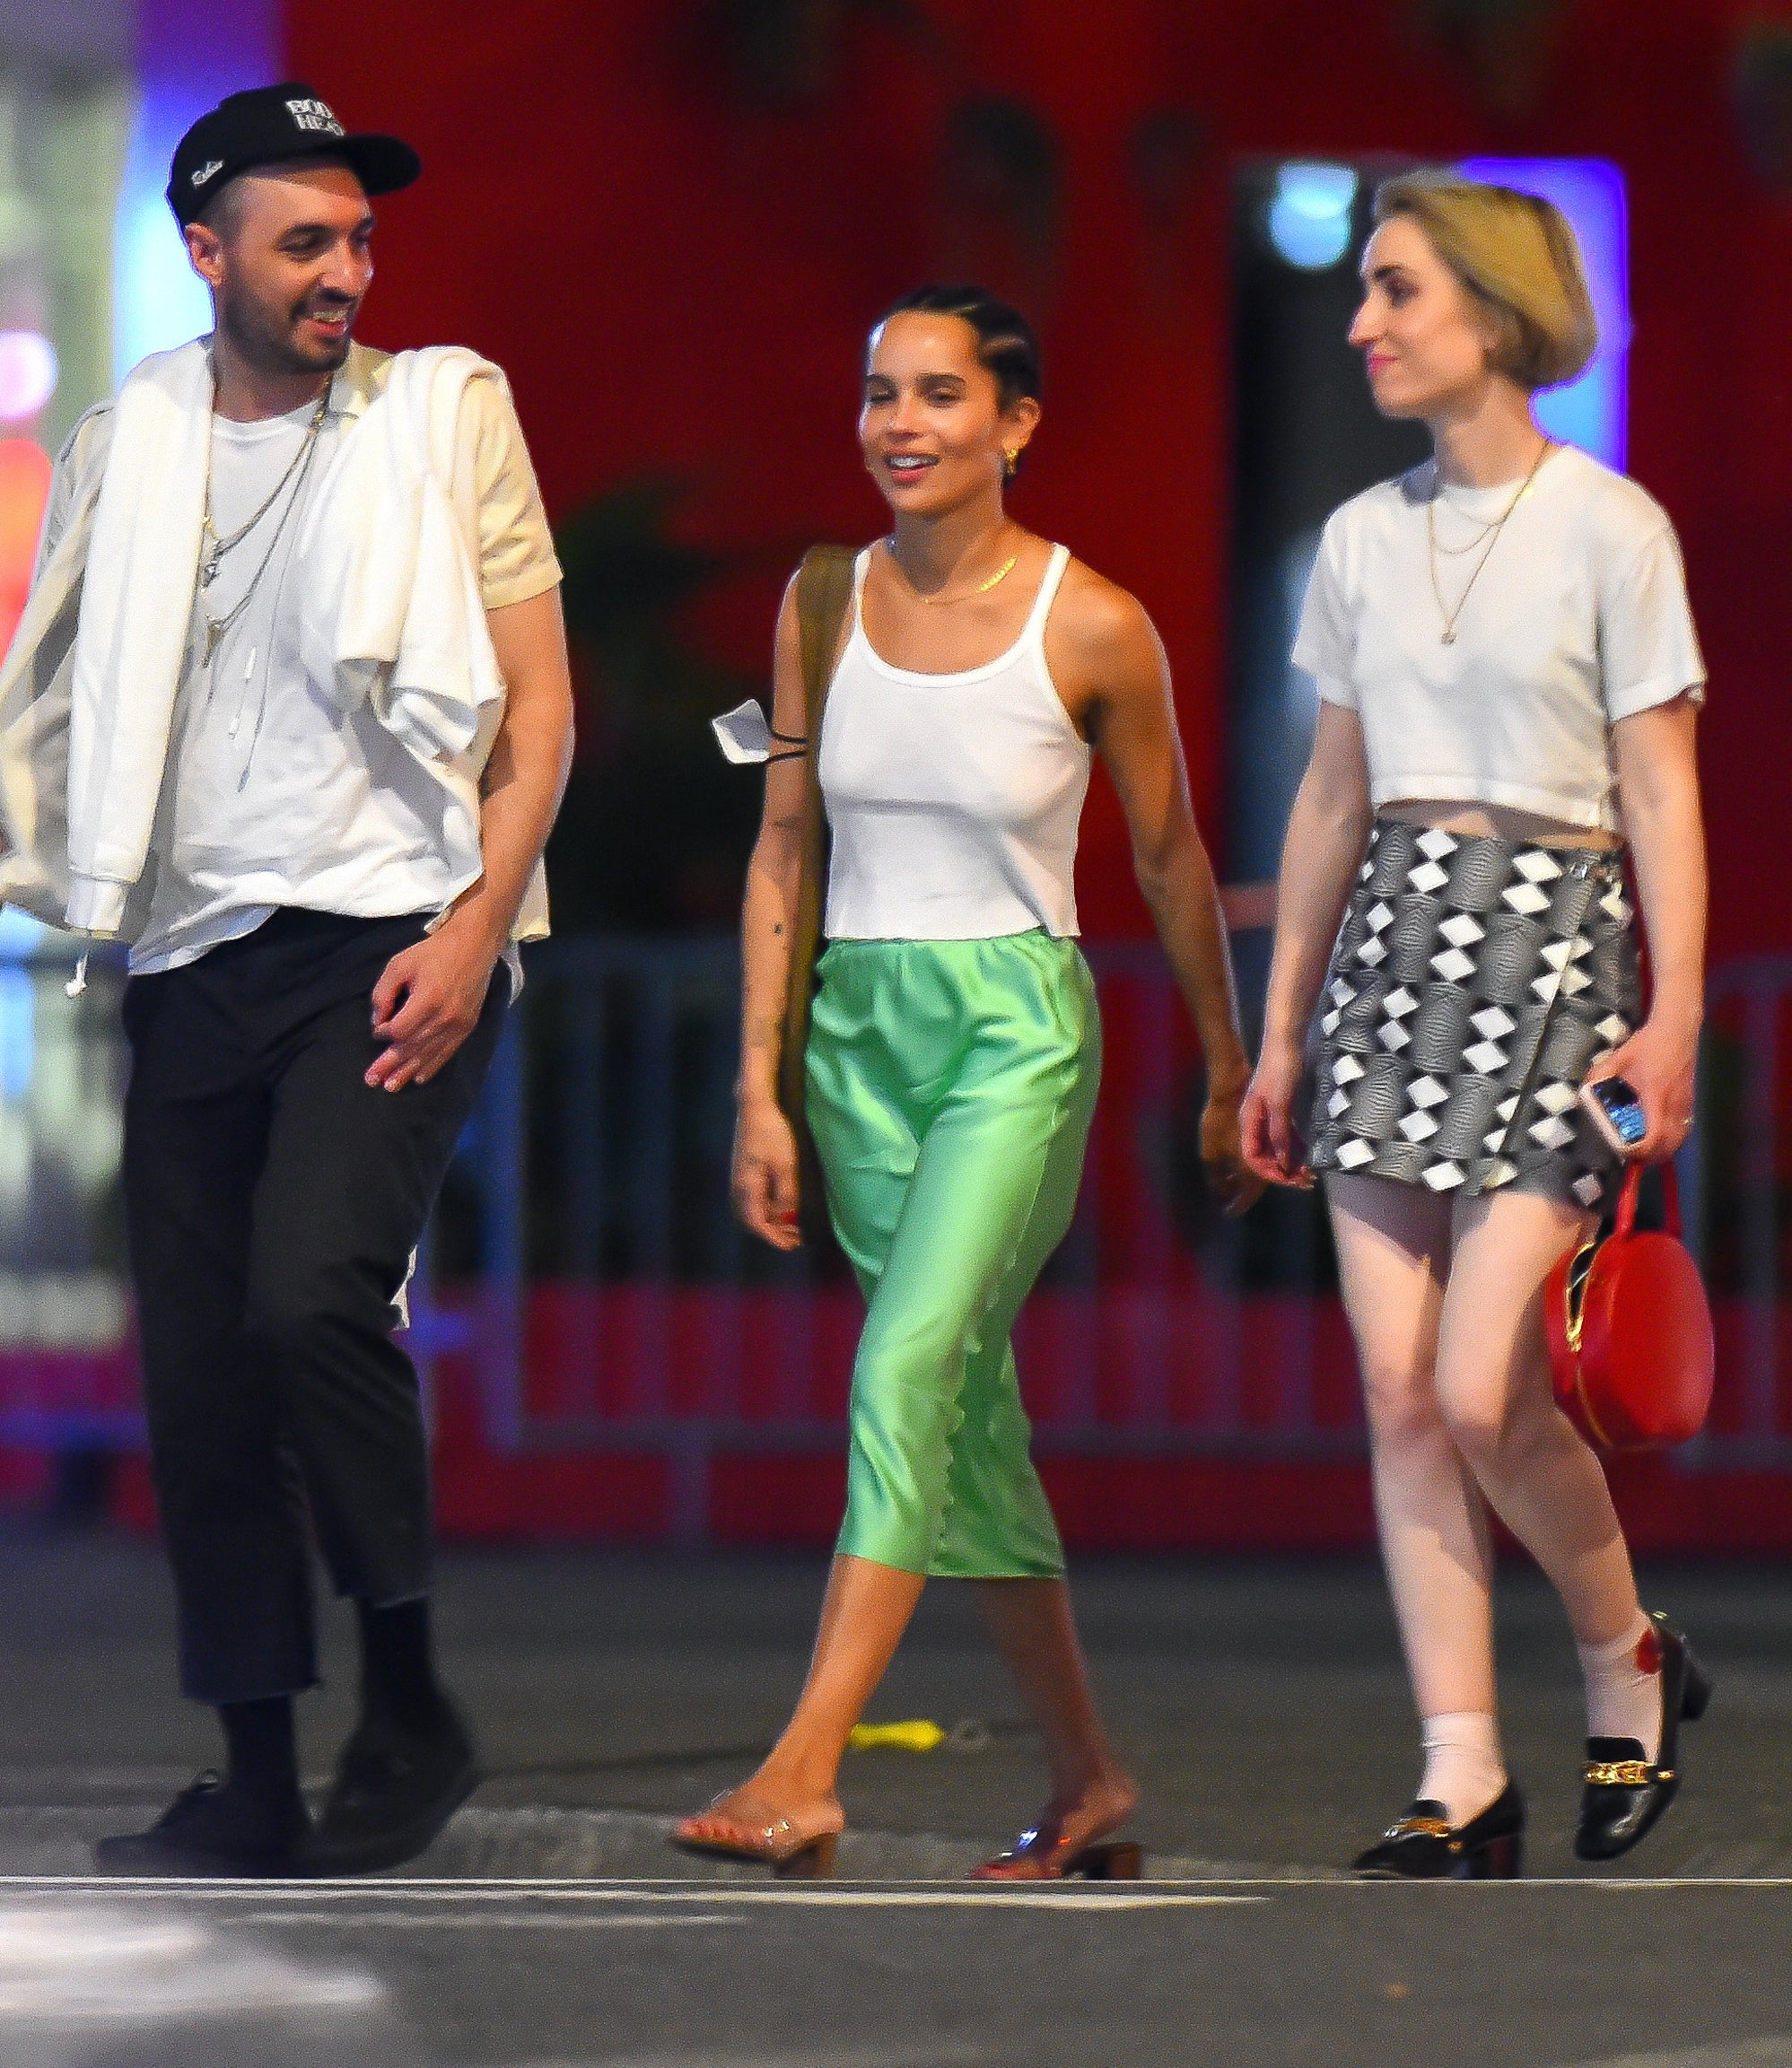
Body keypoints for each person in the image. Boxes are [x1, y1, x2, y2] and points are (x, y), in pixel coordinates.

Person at [0, 83, 573, 1875]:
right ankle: (253, 1770)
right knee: (200, 1377)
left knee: (312, 1294)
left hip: (392, 935)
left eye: (360, 240)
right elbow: (62, 687)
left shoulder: (445, 413)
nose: (346, 271)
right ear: (206, 250)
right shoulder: (130, 437)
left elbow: (542, 706)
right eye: (305, 239)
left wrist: (476, 928)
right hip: (183, 952)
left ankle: (408, 1695)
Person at [677, 284, 1260, 1879]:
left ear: (1015, 423)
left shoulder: (1093, 621)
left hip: (1015, 1033)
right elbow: (780, 847)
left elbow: (1168, 856)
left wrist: (1225, 1067)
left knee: (907, 1365)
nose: (899, 425)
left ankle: (804, 1764)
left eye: (938, 395)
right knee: (967, 1421)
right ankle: (1088, 1782)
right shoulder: (815, 602)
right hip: (852, 1035)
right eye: (879, 393)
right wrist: (759, 1087)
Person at [1240, 172, 1711, 1877]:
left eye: (1395, 291)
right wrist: (1278, 1032)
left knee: (1480, 1374)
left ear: (1495, 317)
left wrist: (1671, 1019)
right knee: (1390, 1388)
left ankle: (1625, 1658)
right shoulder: (1364, 539)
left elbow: (1659, 787)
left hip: (1557, 964)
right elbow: (1329, 798)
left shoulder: (1611, 526)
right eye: (1362, 293)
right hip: (1388, 963)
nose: (1361, 321)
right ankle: (1460, 1771)